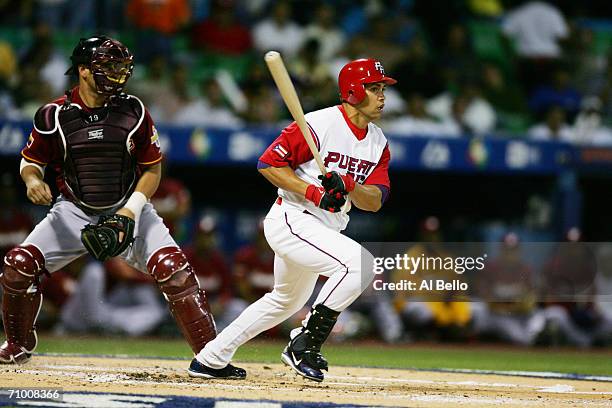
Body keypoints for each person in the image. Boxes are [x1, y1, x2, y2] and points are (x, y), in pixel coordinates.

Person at [0, 36, 233, 376]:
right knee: (18, 265)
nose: (117, 73)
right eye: (107, 66)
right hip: (73, 209)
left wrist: (130, 210)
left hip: (129, 205)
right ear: (83, 70)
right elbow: (30, 161)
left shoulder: (133, 110)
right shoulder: (53, 115)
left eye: (120, 66)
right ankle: (19, 343)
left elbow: (153, 168)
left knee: (175, 271)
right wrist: (33, 181)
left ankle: (211, 358)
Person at [190, 58, 393, 382]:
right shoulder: (319, 123)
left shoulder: (378, 143)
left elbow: (376, 200)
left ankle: (210, 359)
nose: (382, 96)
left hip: (324, 227)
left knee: (286, 300)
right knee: (360, 264)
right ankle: (304, 343)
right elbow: (269, 163)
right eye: (374, 88)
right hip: (293, 218)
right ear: (354, 90)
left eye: (383, 89)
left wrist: (349, 185)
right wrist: (314, 192)